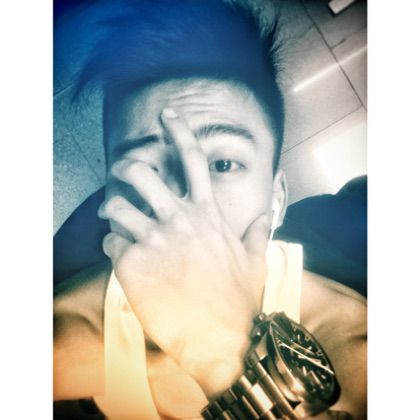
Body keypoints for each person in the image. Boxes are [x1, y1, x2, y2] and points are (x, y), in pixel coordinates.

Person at [53, 1, 367, 419]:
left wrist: (225, 356)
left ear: (276, 200)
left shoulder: (357, 349)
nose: (184, 207)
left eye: (222, 164)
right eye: (148, 169)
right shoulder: (70, 329)